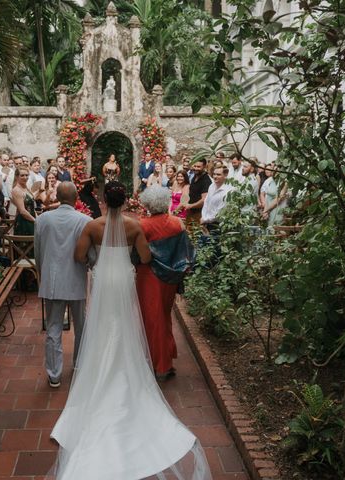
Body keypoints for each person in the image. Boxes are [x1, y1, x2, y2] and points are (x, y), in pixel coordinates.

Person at [51, 181, 212, 480]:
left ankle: (99, 372)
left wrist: (95, 260)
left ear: (102, 201)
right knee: (124, 324)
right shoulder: (134, 226)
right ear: (125, 202)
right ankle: (125, 369)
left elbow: (78, 256)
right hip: (124, 278)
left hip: (102, 279)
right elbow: (146, 258)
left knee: (101, 324)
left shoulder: (93, 226)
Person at [34, 182, 92, 389]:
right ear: (76, 198)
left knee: (53, 328)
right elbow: (90, 254)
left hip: (52, 280)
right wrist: (90, 264)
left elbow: (38, 252)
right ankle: (79, 365)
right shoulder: (85, 220)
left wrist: (43, 274)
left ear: (57, 197)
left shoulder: (42, 219)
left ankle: (54, 374)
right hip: (76, 278)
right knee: (81, 325)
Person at [137, 185, 194, 379]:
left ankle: (161, 364)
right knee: (164, 315)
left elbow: (139, 255)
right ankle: (166, 357)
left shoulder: (142, 225)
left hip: (149, 276)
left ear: (148, 203)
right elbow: (186, 251)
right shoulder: (178, 223)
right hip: (170, 278)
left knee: (153, 320)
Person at [201, 165, 233, 234]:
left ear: (225, 175)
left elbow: (220, 212)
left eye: (218, 174)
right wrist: (203, 217)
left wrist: (206, 220)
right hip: (206, 222)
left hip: (218, 225)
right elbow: (206, 203)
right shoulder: (212, 186)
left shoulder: (228, 191)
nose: (215, 176)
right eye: (214, 174)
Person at [183, 158, 212, 230]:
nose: (196, 168)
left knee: (196, 236)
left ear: (204, 166)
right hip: (191, 212)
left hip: (199, 213)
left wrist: (190, 206)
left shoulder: (206, 180)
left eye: (199, 167)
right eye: (195, 166)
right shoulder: (195, 176)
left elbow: (204, 200)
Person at [11, 166, 36, 235]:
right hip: (24, 221)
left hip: (31, 218)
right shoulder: (16, 190)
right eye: (22, 175)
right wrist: (35, 220)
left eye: (26, 175)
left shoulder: (26, 187)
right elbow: (22, 211)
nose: (25, 177)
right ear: (16, 176)